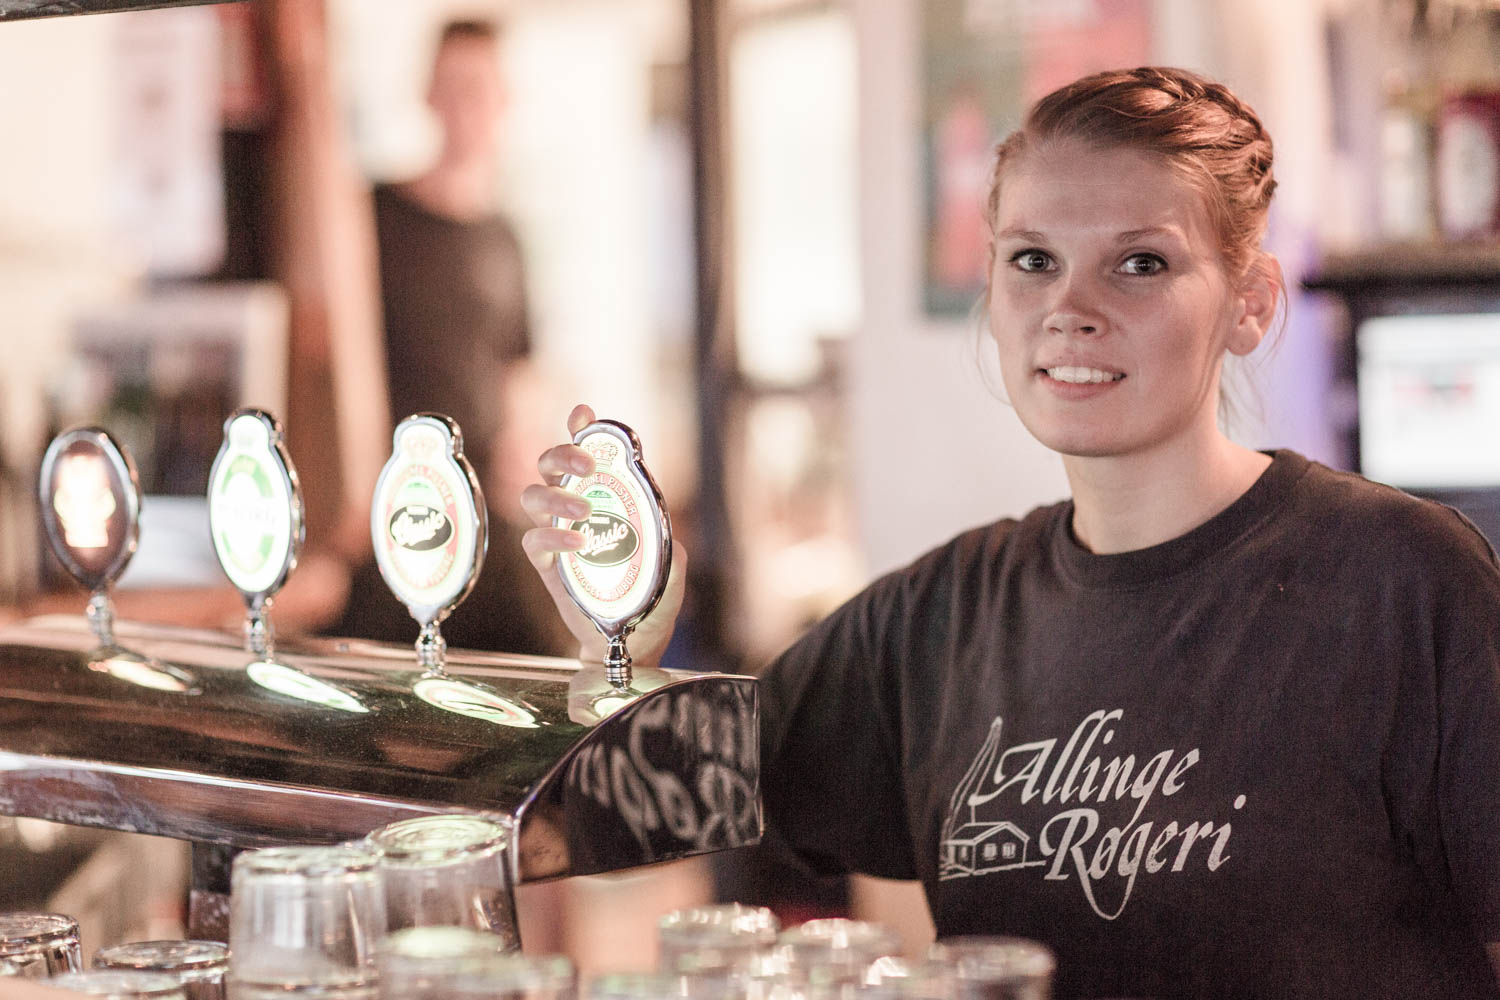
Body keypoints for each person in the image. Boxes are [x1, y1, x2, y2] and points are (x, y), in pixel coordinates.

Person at [519, 67, 1500, 998]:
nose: (1071, 310)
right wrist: (626, 635)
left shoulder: (1401, 581)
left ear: (1249, 304)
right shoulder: (938, 620)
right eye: (1033, 260)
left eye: (1141, 262)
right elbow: (618, 807)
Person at [330, 17, 566, 656]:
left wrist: (534, 457)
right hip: (394, 518)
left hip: (488, 517)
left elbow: (521, 371)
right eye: (454, 87)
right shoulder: (373, 214)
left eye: (482, 89)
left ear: (505, 102)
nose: (469, 106)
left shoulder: (508, 240)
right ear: (428, 94)